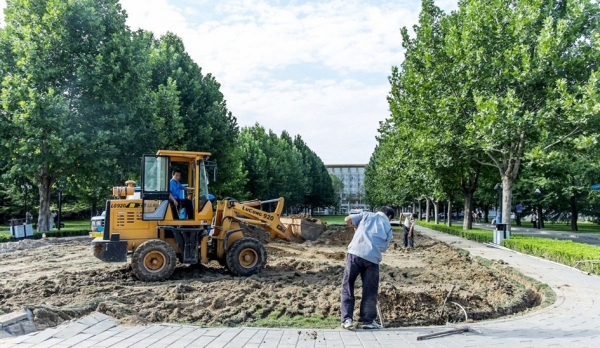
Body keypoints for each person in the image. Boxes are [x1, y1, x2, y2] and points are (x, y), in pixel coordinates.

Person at [341, 206, 394, 330]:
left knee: (348, 285)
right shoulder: (389, 228)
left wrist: (356, 227)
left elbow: (347, 219)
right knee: (370, 290)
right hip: (372, 259)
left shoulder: (367, 215)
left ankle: (347, 319)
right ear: (389, 217)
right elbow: (383, 248)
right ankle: (368, 321)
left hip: (355, 253)